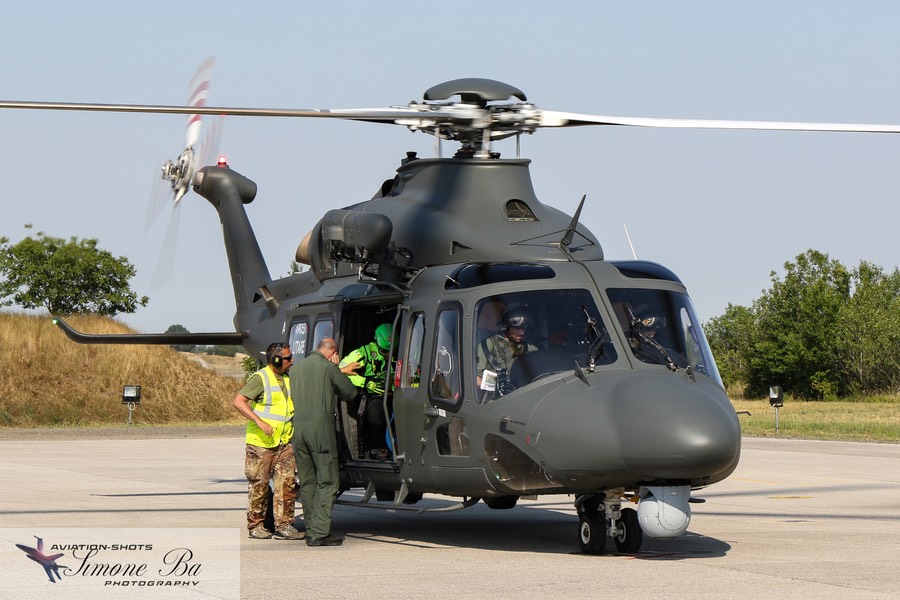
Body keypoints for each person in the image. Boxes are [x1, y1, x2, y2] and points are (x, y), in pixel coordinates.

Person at [232, 342, 304, 540]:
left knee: (286, 484)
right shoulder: (260, 378)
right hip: (261, 443)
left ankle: (284, 525)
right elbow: (238, 401)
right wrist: (259, 421)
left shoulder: (288, 379)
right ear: (276, 359)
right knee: (259, 485)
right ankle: (256, 525)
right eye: (288, 358)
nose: (292, 361)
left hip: (284, 442)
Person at [291, 337, 358, 547]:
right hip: (320, 429)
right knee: (328, 480)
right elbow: (350, 393)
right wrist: (337, 368)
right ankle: (319, 533)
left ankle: (311, 527)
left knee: (308, 480)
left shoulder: (296, 368)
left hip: (298, 429)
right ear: (332, 353)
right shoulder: (329, 367)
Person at [339, 323, 396, 460]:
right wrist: (365, 383)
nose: (388, 354)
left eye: (390, 351)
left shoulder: (399, 350)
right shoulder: (363, 352)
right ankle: (379, 448)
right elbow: (341, 368)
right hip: (373, 395)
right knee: (376, 411)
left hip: (394, 392)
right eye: (384, 351)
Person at [475, 306, 538, 401]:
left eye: (524, 328)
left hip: (524, 397)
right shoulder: (489, 345)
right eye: (517, 328)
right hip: (496, 400)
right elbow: (476, 379)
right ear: (506, 326)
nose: (522, 332)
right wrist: (497, 385)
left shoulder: (529, 348)